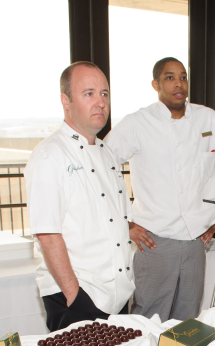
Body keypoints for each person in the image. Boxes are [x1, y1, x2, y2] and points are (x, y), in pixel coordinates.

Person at [105, 57, 215, 321]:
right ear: (156, 84)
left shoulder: (208, 119)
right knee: (147, 319)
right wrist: (126, 223)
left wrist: (214, 217)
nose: (179, 84)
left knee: (187, 318)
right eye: (170, 77)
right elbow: (103, 164)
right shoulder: (138, 123)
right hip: (155, 240)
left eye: (183, 77)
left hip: (196, 240)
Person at [25, 61, 135, 331]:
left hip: (116, 297)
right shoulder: (49, 156)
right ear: (66, 100)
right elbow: (48, 235)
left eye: (105, 94)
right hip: (79, 297)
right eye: (89, 93)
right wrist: (75, 297)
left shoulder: (106, 152)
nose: (100, 102)